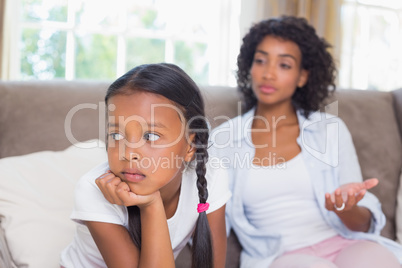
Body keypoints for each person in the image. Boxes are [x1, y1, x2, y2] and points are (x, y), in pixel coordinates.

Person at [209, 16, 402, 267]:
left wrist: (344, 206)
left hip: (344, 241)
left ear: (302, 76)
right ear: (249, 67)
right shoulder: (224, 139)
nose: (268, 73)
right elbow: (211, 225)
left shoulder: (329, 130)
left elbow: (362, 224)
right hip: (279, 257)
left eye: (284, 65)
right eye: (261, 60)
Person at [60, 63, 231, 268]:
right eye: (116, 135)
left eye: (150, 136)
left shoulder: (211, 174)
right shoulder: (92, 189)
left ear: (190, 145)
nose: (129, 153)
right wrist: (151, 205)